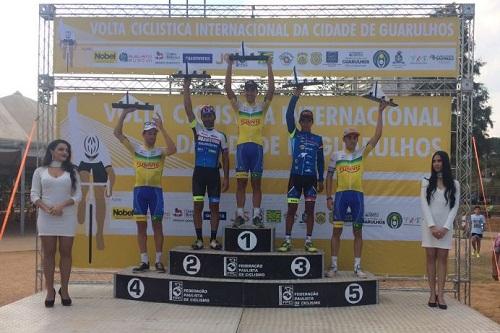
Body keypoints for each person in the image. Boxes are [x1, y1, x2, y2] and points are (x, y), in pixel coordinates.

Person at [325, 99, 389, 278]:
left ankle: (357, 267)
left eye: (355, 137)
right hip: (341, 195)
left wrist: (380, 113)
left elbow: (377, 137)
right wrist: (328, 197)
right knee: (336, 230)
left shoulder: (361, 153)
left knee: (358, 231)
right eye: (350, 137)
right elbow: (329, 176)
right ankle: (334, 266)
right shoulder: (336, 156)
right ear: (344, 139)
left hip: (357, 196)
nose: (353, 140)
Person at [114, 109, 176, 273]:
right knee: (141, 227)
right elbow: (117, 133)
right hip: (139, 192)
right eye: (149, 133)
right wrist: (124, 114)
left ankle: (158, 261)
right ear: (143, 134)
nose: (152, 136)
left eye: (154, 133)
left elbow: (173, 149)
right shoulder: (136, 149)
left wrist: (162, 128)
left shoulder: (160, 151)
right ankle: (144, 261)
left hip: (156, 192)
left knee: (157, 226)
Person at [31, 139, 82, 307]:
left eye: (67, 150)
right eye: (61, 149)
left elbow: (78, 196)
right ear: (52, 150)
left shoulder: (73, 171)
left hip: (66, 216)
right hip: (46, 217)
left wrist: (61, 206)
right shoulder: (40, 171)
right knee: (49, 253)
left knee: (66, 252)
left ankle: (65, 290)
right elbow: (34, 195)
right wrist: (47, 209)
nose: (65, 152)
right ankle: (50, 290)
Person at [224, 56, 274, 227]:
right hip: (242, 148)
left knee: (256, 184)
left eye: (253, 90)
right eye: (248, 90)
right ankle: (239, 215)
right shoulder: (239, 107)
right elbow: (228, 89)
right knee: (241, 183)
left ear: (256, 93)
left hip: (257, 148)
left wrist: (269, 66)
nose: (250, 92)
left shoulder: (262, 107)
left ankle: (257, 216)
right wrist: (230, 65)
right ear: (245, 92)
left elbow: (271, 91)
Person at [183, 78, 229, 250]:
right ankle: (199, 239)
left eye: (210, 116)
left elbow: (225, 158)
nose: (208, 118)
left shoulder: (221, 136)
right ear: (202, 118)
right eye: (205, 116)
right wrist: (186, 86)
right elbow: (188, 109)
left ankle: (213, 239)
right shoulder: (198, 130)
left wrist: (226, 178)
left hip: (213, 175)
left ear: (214, 117)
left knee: (214, 207)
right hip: (199, 174)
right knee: (198, 206)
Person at [277, 86, 324, 253]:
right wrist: (295, 95)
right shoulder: (294, 134)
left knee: (310, 210)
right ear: (300, 122)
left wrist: (321, 179)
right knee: (291, 210)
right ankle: (288, 240)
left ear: (312, 122)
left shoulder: (318, 139)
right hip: (295, 177)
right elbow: (288, 114)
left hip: (311, 178)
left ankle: (308, 241)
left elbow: (321, 161)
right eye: (303, 120)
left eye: (308, 120)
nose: (305, 122)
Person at [420, 151, 460, 310]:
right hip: (429, 227)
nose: (436, 163)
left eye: (439, 161)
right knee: (430, 257)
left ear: (445, 163)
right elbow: (424, 203)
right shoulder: (425, 181)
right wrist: (431, 226)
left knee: (442, 258)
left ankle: (441, 295)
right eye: (434, 161)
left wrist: (445, 227)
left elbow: (455, 206)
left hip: (445, 227)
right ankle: (432, 293)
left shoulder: (455, 184)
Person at [76, 134, 115, 250]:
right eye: (89, 155)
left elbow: (112, 174)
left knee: (99, 195)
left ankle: (100, 232)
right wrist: (77, 190)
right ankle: (82, 201)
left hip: (100, 164)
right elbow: (72, 172)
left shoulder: (104, 153)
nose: (91, 157)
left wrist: (109, 189)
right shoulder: (79, 152)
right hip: (83, 163)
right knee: (84, 186)